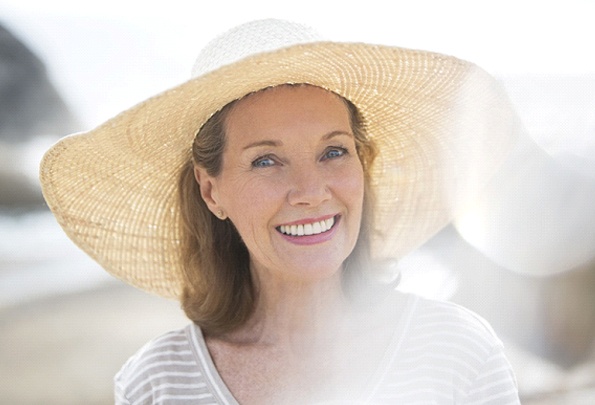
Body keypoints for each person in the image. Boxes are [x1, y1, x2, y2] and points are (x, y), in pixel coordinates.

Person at [40, 19, 522, 404]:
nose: (310, 192)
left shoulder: (458, 350)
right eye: (266, 160)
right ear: (211, 191)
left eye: (333, 152)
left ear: (363, 165)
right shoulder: (157, 384)